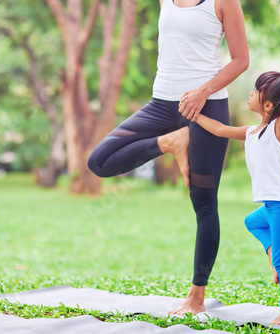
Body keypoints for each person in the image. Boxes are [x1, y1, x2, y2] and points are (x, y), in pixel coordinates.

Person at [88, 0, 249, 315]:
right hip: (161, 106)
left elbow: (241, 60)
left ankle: (197, 297)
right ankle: (169, 143)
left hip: (207, 107)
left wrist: (202, 92)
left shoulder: (224, 1)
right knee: (100, 161)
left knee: (203, 203)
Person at [190, 56, 280, 325]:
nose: (251, 93)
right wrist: (195, 116)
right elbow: (220, 129)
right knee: (251, 222)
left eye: (256, 91)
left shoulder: (279, 130)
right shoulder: (253, 132)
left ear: (267, 104)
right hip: (272, 206)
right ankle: (273, 257)